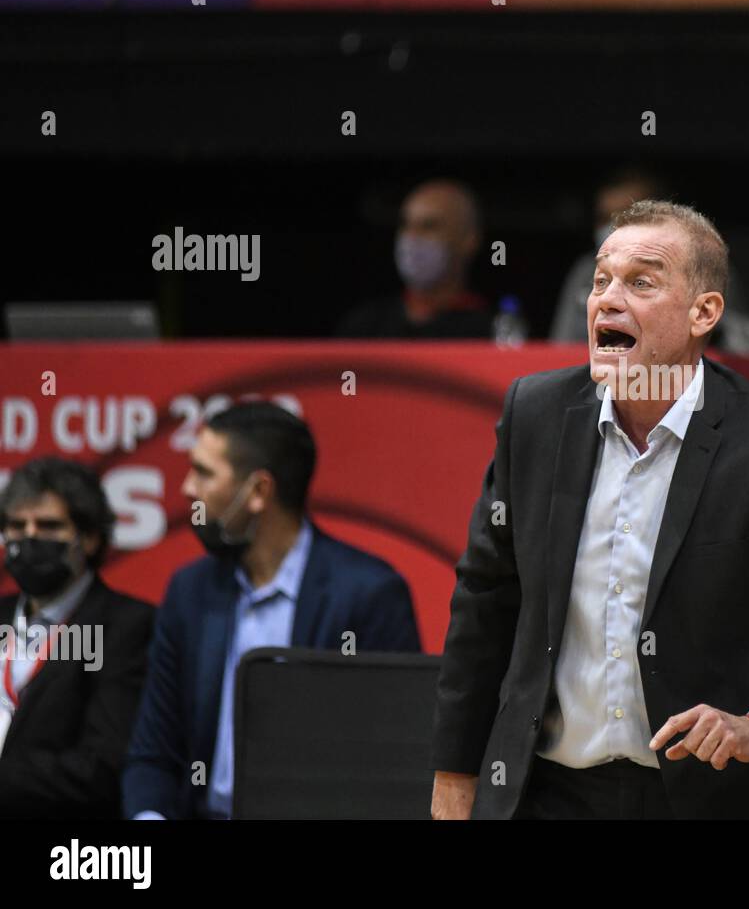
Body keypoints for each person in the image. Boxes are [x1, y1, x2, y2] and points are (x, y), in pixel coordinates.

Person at [430, 200, 749, 819]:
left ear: (704, 313)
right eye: (601, 281)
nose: (607, 299)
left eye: (641, 282)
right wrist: (455, 776)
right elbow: (485, 602)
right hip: (549, 795)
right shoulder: (535, 417)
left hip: (715, 801)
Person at [122, 402, 421, 819]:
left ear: (259, 491)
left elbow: (391, 766)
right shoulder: (190, 592)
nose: (188, 488)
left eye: (204, 472)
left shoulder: (369, 595)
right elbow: (153, 754)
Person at [0, 457, 154, 818]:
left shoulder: (126, 627)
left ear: (89, 538)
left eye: (49, 526)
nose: (29, 538)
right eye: (17, 526)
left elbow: (100, 769)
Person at [550, 169, 749, 353]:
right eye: (604, 217)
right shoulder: (585, 272)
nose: (614, 226)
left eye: (627, 213)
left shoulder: (705, 266)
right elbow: (561, 351)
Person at [337, 179, 494, 339]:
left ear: (469, 240)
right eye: (406, 225)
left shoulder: (491, 333)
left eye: (429, 226)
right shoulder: (364, 327)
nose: (412, 237)